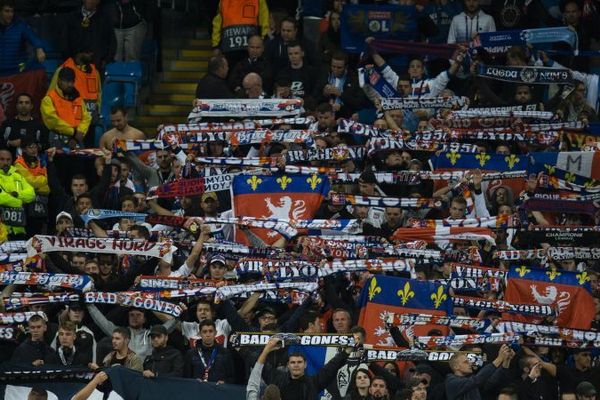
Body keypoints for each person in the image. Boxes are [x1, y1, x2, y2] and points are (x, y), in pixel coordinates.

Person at [255, 336, 351, 400]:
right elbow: (260, 367)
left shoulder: (313, 382)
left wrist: (346, 351)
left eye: (299, 362)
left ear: (305, 365)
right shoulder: (278, 379)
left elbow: (331, 367)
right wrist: (266, 350)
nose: (296, 365)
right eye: (293, 362)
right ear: (288, 365)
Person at [41, 67, 92, 149]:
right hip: (57, 138)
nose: (70, 85)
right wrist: (74, 132)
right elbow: (53, 121)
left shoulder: (78, 98)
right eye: (67, 81)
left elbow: (86, 118)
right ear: (59, 81)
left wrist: (80, 132)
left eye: (72, 81)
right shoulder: (49, 99)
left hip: (77, 138)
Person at [61, 0, 116, 71]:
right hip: (74, 66)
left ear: (98, 1)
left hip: (97, 67)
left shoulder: (105, 19)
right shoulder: (71, 18)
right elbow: (64, 42)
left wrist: (105, 61)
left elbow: (112, 43)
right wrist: (73, 59)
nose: (90, 1)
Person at [445, 345, 515, 400]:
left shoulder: (469, 379)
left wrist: (506, 361)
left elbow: (490, 382)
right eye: (466, 362)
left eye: (469, 361)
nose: (470, 363)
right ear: (456, 367)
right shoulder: (452, 382)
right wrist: (499, 358)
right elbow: (477, 379)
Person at [0, 0, 45, 76]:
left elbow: (33, 38)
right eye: (7, 11)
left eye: (12, 11)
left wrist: (39, 48)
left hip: (16, 69)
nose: (10, 14)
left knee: (40, 68)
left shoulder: (20, 25)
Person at [0, 146, 35, 237]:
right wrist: (19, 202)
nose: (5, 162)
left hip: (19, 230)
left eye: (8, 160)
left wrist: (17, 194)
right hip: (2, 230)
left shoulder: (18, 176)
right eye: (2, 159)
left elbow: (31, 194)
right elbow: (2, 198)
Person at [1, 93, 48, 158]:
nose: (23, 105)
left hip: (33, 165)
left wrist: (35, 147)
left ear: (31, 106)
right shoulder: (7, 124)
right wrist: (10, 143)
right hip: (11, 164)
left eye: (27, 103)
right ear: (16, 105)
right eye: (21, 102)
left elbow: (46, 144)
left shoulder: (39, 125)